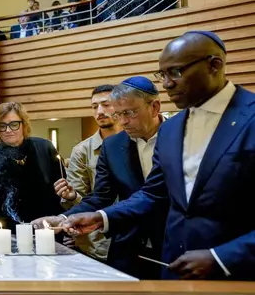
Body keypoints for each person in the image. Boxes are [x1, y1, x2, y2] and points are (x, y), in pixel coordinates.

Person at [61, 31, 255, 280]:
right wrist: (102, 217)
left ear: (214, 65)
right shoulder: (172, 130)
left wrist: (222, 257)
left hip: (238, 275)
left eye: (176, 72)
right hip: (174, 267)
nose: (167, 84)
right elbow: (154, 193)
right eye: (162, 75)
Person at [41, 77, 166, 278]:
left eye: (129, 113)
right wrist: (63, 217)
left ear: (154, 107)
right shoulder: (113, 146)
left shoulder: (179, 135)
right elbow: (101, 196)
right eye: (119, 114)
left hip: (173, 243)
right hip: (128, 245)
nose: (123, 121)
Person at [0, 102, 63, 231]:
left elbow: (61, 188)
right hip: (9, 228)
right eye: (2, 126)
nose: (8, 130)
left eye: (14, 124)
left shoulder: (45, 147)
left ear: (23, 125)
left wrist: (64, 223)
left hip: (46, 225)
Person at [56, 85, 122, 261]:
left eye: (106, 104)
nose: (100, 111)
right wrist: (71, 196)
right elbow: (81, 202)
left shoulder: (134, 142)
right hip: (96, 244)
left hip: (134, 238)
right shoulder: (82, 150)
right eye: (94, 107)